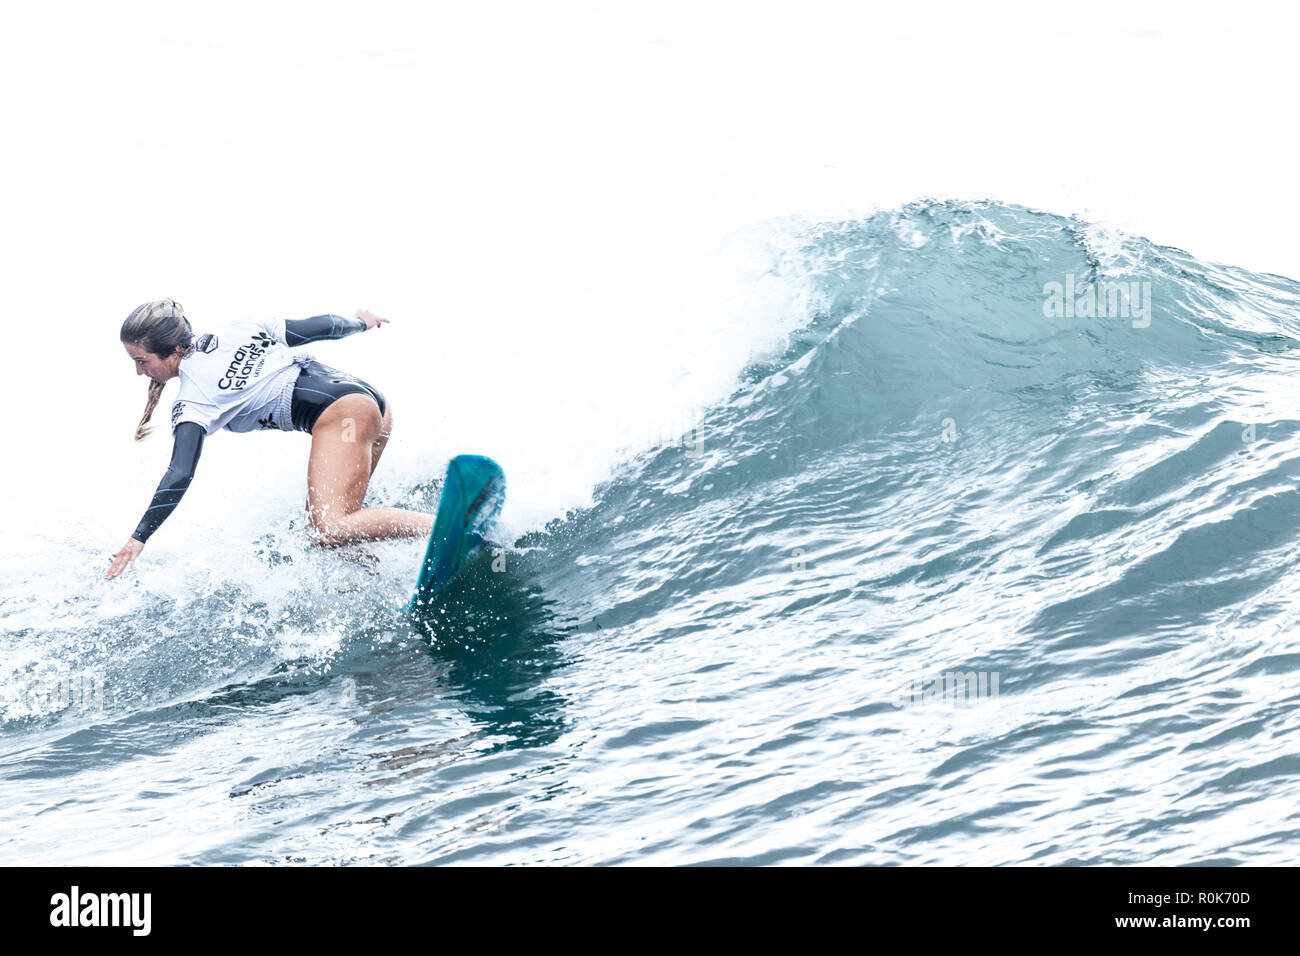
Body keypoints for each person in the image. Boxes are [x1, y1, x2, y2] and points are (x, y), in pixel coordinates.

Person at [107, 299, 435, 580]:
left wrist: (140, 537)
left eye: (142, 361)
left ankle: (444, 528)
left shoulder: (194, 401)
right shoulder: (239, 328)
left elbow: (179, 473)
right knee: (329, 533)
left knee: (330, 527)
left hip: (347, 417)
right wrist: (361, 323)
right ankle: (387, 577)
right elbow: (321, 326)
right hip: (372, 406)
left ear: (176, 350)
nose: (139, 373)